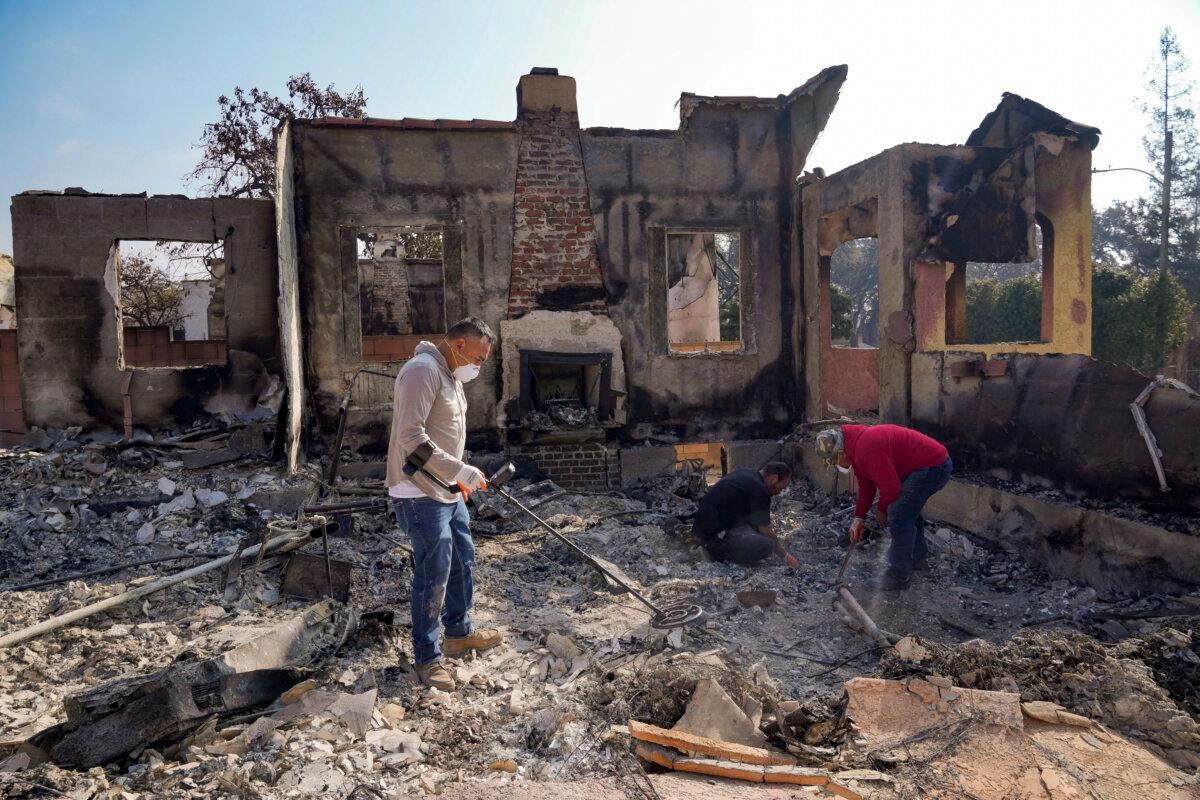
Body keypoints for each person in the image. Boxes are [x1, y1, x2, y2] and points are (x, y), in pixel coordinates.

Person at [387, 317, 504, 690]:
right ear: (458, 344)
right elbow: (410, 435)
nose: (479, 366)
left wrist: (458, 477)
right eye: (479, 357)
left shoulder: (449, 374)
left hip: (444, 488)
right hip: (419, 492)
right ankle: (427, 657)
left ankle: (457, 633)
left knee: (462, 557)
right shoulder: (422, 372)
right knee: (433, 571)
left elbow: (444, 432)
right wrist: (458, 469)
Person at [816, 424, 952, 591]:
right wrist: (858, 518)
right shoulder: (855, 446)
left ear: (841, 452)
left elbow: (891, 489)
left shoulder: (867, 448)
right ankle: (917, 559)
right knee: (908, 510)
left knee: (898, 513)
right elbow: (867, 486)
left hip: (933, 465)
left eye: (833, 460)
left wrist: (881, 511)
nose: (834, 464)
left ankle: (899, 575)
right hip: (924, 464)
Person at [690, 462, 793, 566]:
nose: (780, 492)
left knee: (754, 530)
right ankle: (715, 554)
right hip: (712, 536)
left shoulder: (747, 474)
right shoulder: (759, 489)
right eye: (781, 487)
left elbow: (755, 521)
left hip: (701, 529)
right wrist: (785, 556)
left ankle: (712, 546)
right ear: (774, 479)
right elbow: (765, 530)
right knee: (767, 546)